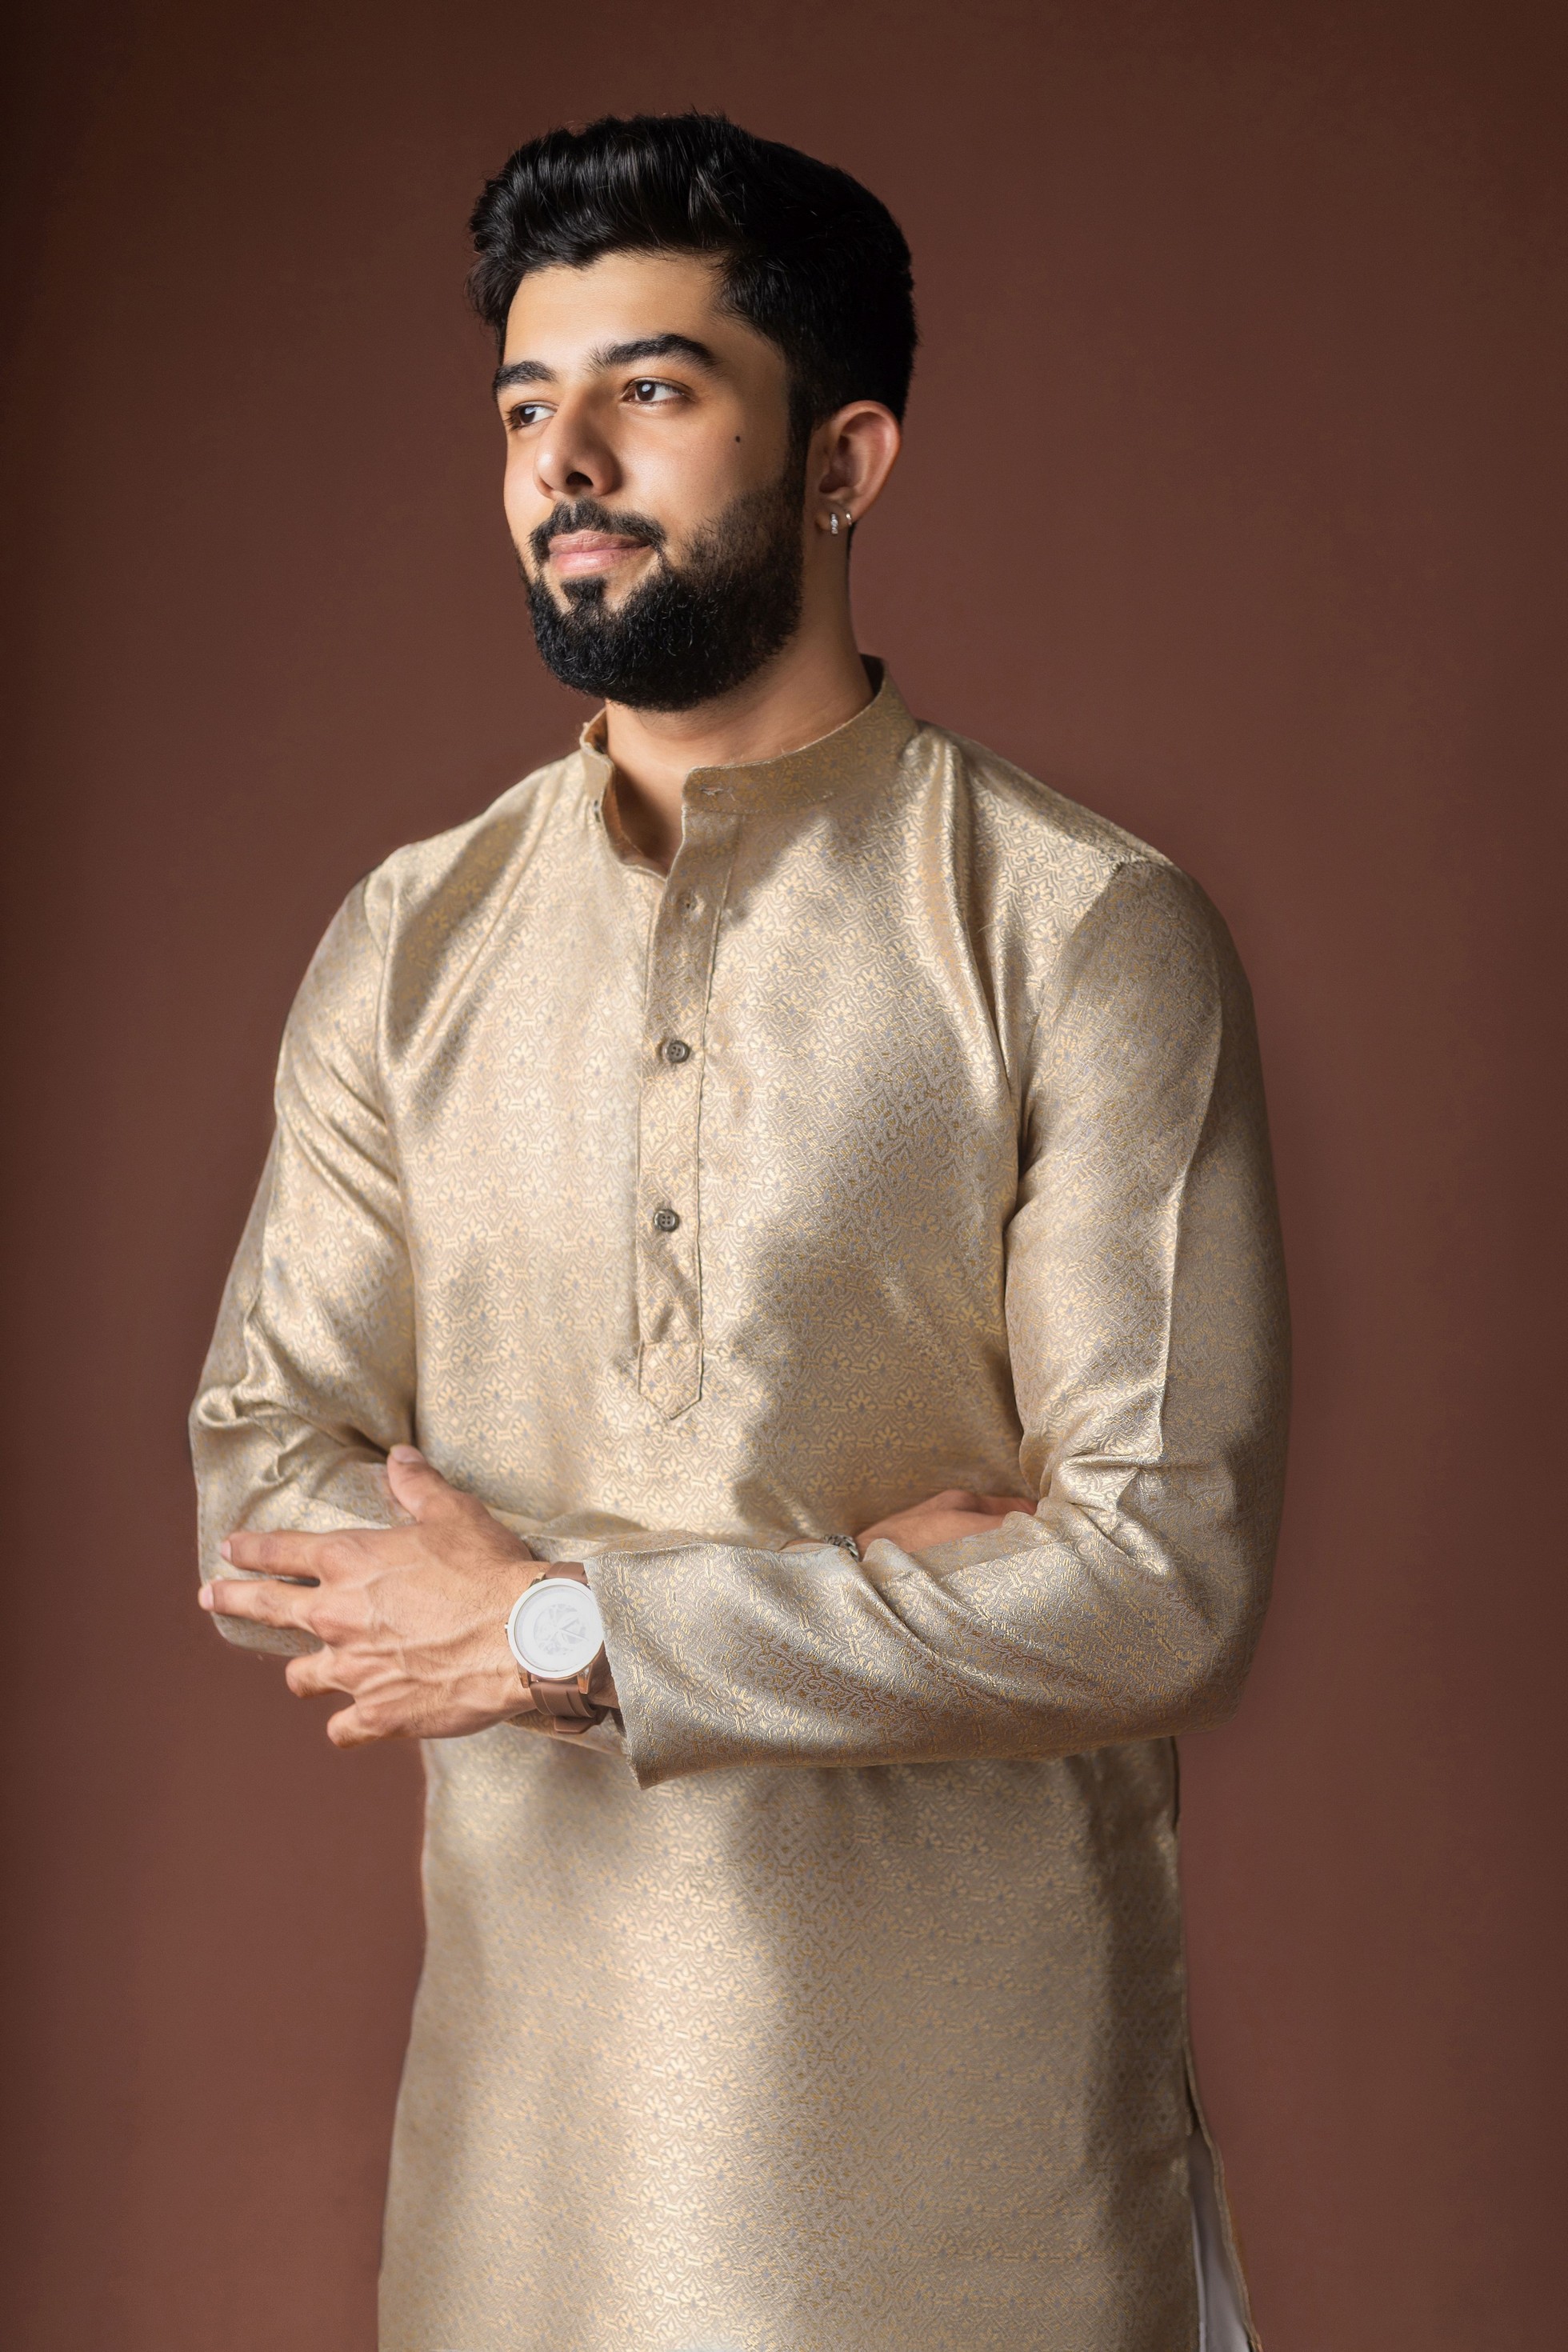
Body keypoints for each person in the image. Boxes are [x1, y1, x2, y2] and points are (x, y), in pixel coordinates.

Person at [192, 111, 1288, 2352]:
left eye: (653, 391)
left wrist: (562, 1626)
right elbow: (260, 1491)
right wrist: (863, 1600)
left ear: (844, 460)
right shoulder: (410, 943)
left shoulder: (1077, 930)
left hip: (988, 2193)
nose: (566, 462)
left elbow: (1157, 1581)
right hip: (520, 2185)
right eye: (527, 407)